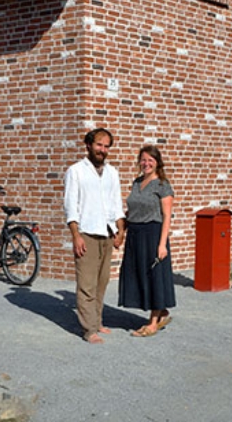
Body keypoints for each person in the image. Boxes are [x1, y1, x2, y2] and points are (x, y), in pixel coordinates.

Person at [63, 128, 126, 343]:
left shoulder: (112, 173)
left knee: (102, 281)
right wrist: (76, 235)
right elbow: (71, 206)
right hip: (86, 232)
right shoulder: (76, 171)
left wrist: (120, 231)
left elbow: (116, 204)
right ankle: (88, 329)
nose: (103, 150)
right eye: (99, 144)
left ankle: (97, 321)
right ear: (89, 145)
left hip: (107, 232)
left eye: (107, 146)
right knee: (86, 283)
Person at [118, 144, 176, 337]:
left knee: (154, 276)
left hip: (153, 234)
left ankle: (152, 323)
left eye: (150, 160)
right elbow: (131, 211)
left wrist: (162, 244)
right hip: (135, 234)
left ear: (157, 163)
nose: (146, 163)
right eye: (143, 160)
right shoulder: (136, 183)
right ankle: (161, 312)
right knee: (138, 274)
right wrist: (121, 232)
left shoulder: (162, 185)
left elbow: (167, 216)